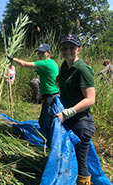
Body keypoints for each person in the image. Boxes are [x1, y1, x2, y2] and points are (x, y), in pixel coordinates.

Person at [55, 34, 96, 185]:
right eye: (64, 48)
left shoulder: (83, 70)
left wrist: (67, 112)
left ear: (79, 49)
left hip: (81, 122)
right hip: (69, 119)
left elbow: (90, 99)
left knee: (81, 162)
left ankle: (84, 182)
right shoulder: (65, 66)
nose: (68, 51)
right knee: (68, 155)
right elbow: (61, 81)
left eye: (72, 47)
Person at [7, 43, 59, 132]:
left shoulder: (45, 63)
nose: (39, 55)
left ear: (48, 53)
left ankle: (46, 140)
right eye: (38, 53)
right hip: (53, 95)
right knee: (47, 119)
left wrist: (12, 59)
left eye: (42, 53)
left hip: (51, 96)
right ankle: (47, 136)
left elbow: (24, 64)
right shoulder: (52, 62)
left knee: (45, 121)